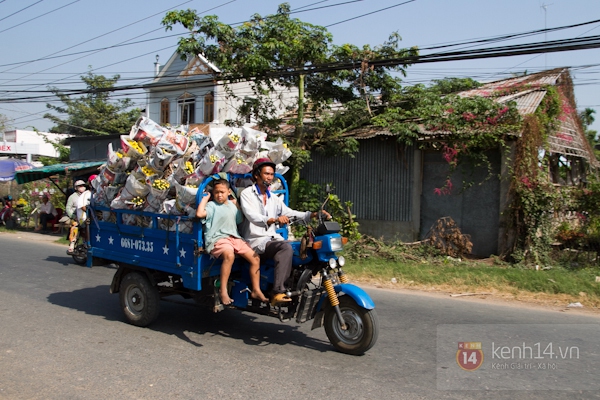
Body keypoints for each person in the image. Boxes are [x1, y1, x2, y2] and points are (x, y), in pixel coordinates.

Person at [240, 158, 330, 306]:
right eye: (266, 174)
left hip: (272, 238)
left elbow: (290, 212)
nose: (269, 177)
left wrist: (312, 214)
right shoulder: (247, 194)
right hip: (255, 240)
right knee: (285, 248)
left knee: (299, 249)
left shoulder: (273, 197)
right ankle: (277, 291)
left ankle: (294, 285)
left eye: (271, 174)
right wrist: (273, 220)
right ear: (256, 175)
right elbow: (252, 216)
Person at [196, 178, 268, 305]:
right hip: (218, 239)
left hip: (234, 238)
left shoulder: (232, 205)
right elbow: (200, 214)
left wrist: (237, 204)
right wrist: (205, 198)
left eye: (222, 192)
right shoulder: (212, 206)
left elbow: (239, 219)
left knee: (255, 258)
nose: (219, 195)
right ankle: (223, 291)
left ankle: (256, 290)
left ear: (229, 192)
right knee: (229, 255)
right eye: (216, 192)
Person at [65, 180, 87, 255]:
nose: (82, 187)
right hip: (75, 218)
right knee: (75, 226)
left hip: (85, 217)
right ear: (76, 188)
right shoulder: (72, 197)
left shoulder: (86, 195)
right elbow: (68, 208)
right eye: (80, 186)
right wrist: (74, 216)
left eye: (83, 185)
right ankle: (72, 244)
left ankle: (86, 243)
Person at [75, 175, 98, 241]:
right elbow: (82, 206)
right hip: (84, 218)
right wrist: (93, 213)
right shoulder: (86, 194)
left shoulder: (98, 194)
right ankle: (87, 242)